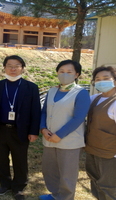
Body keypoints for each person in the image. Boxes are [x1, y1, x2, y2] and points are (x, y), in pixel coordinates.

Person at [0, 55, 41, 200]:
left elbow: (36, 111)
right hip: (0, 129)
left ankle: (19, 187)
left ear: (22, 68)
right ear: (4, 68)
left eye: (17, 65)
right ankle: (4, 184)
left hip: (20, 129)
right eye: (9, 65)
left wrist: (34, 131)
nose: (13, 68)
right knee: (0, 158)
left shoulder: (31, 87)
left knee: (20, 159)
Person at [39, 60, 90, 200]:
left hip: (69, 142)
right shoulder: (52, 90)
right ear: (57, 73)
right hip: (49, 138)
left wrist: (60, 135)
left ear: (76, 74)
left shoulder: (81, 93)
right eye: (61, 71)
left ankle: (66, 198)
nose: (64, 74)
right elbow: (44, 112)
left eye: (69, 72)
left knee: (67, 174)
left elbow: (78, 118)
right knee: (50, 170)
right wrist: (43, 128)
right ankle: (55, 195)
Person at [85, 66, 116, 200]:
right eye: (97, 79)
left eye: (105, 78)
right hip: (92, 148)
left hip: (110, 153)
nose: (101, 81)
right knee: (94, 180)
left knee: (108, 186)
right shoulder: (94, 98)